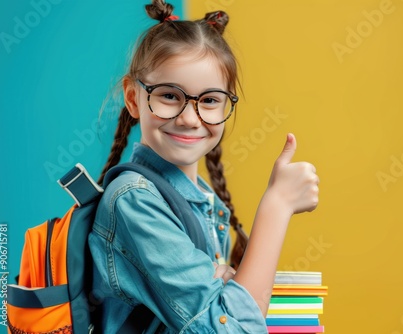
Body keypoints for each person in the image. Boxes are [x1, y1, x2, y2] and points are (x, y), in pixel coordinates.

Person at [88, 0, 319, 332]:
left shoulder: (202, 198)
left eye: (209, 100)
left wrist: (227, 288)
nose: (188, 118)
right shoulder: (135, 201)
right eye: (169, 95)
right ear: (132, 98)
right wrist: (277, 205)